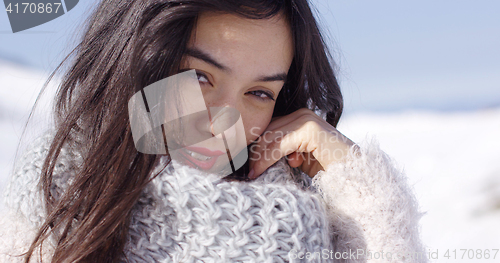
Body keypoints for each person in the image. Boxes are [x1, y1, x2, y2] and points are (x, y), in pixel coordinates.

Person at [0, 0, 428, 262]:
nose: (227, 119)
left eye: (259, 92)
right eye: (201, 77)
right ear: (130, 62)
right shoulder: (51, 205)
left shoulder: (309, 229)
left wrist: (361, 194)